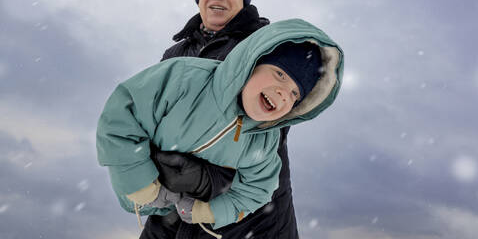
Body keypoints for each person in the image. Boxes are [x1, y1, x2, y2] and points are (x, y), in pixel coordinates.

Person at [96, 19, 344, 237]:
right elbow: (123, 112)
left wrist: (209, 211)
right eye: (280, 74)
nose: (283, 93)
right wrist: (139, 183)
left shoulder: (264, 140)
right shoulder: (185, 77)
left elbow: (257, 189)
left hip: (188, 218)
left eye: (294, 93)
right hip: (142, 198)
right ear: (253, 62)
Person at [140, 0, 294, 239]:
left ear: (243, 1)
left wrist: (208, 178)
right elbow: (150, 119)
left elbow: (272, 128)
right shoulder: (175, 55)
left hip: (249, 218)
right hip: (173, 208)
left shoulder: (262, 47)